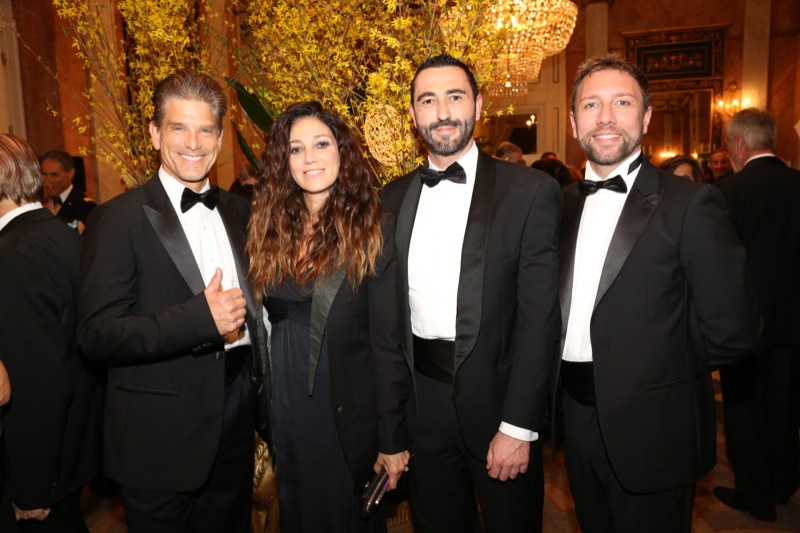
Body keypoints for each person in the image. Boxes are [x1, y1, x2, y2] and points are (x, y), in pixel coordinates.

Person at [555, 54, 760, 533]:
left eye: (622, 103)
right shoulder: (558, 206)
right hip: (575, 422)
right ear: (573, 123)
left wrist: (651, 374)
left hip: (655, 428)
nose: (606, 117)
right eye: (591, 105)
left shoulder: (690, 204)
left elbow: (735, 331)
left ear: (646, 117)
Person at [379, 53, 561, 533]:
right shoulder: (391, 200)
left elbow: (540, 320)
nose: (442, 112)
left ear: (478, 106)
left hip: (500, 408)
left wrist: (518, 425)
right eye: (428, 100)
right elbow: (387, 325)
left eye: (455, 97)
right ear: (413, 114)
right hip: (423, 409)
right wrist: (393, 425)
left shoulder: (530, 192)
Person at [77, 69, 264, 533]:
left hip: (237, 415)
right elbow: (98, 334)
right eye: (179, 128)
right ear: (155, 134)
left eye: (205, 130)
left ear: (220, 139)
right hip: (158, 432)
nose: (193, 143)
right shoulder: (117, 219)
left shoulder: (241, 211)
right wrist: (199, 318)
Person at [247, 101, 405, 532]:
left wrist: (392, 438)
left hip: (343, 411)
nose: (309, 158)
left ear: (342, 151)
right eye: (296, 149)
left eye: (321, 144)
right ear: (283, 161)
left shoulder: (374, 227)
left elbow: (388, 341)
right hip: (285, 406)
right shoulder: (268, 224)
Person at [0, 134, 98, 532]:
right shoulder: (59, 233)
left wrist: (32, 486)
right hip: (74, 444)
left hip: (45, 462)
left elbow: (36, 379)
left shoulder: (11, 253)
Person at [713, 108, 800, 521]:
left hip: (744, 323)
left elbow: (718, 263)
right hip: (795, 323)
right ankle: (784, 483)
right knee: (787, 408)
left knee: (744, 410)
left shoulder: (729, 191)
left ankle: (755, 495)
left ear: (738, 143)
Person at [40, 150, 96, 225]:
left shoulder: (85, 206)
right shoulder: (37, 202)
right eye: (44, 174)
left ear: (71, 173)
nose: (47, 179)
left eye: (54, 175)